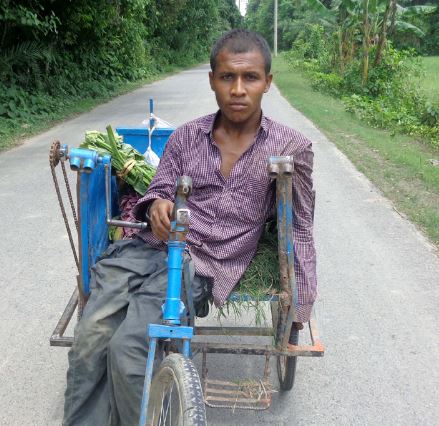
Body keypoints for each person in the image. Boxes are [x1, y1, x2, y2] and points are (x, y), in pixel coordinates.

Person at [63, 29, 317, 426]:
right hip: (144, 249)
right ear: (212, 79)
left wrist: (298, 304)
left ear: (268, 82)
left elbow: (299, 226)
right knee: (90, 339)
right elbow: (159, 187)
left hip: (200, 264)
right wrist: (156, 206)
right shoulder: (185, 137)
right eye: (226, 77)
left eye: (250, 77)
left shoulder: (291, 148)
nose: (237, 89)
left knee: (132, 349)